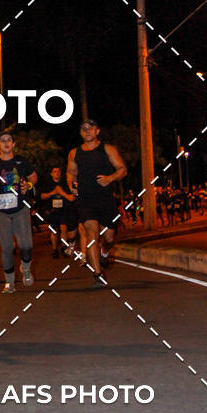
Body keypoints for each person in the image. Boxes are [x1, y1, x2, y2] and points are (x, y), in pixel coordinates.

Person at [66, 119, 127, 287]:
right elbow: (70, 173)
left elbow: (122, 169)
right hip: (86, 200)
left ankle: (105, 253)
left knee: (109, 237)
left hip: (106, 199)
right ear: (80, 133)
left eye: (90, 128)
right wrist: (72, 186)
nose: (87, 131)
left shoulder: (108, 149)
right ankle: (97, 274)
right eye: (83, 129)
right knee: (91, 234)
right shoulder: (74, 153)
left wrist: (110, 178)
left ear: (97, 131)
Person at [0, 131, 37, 293]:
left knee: (26, 245)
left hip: (20, 207)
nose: (6, 143)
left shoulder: (21, 161)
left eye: (9, 140)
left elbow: (33, 176)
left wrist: (29, 186)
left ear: (13, 144)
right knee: (6, 247)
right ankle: (9, 282)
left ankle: (26, 269)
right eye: (2, 141)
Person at [40, 166, 77, 259]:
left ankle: (64, 247)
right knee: (54, 231)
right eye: (54, 171)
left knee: (64, 228)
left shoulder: (64, 183)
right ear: (51, 174)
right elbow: (42, 196)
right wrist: (52, 193)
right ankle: (54, 249)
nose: (57, 173)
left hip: (63, 209)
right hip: (52, 210)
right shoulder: (47, 184)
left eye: (58, 171)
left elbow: (70, 194)